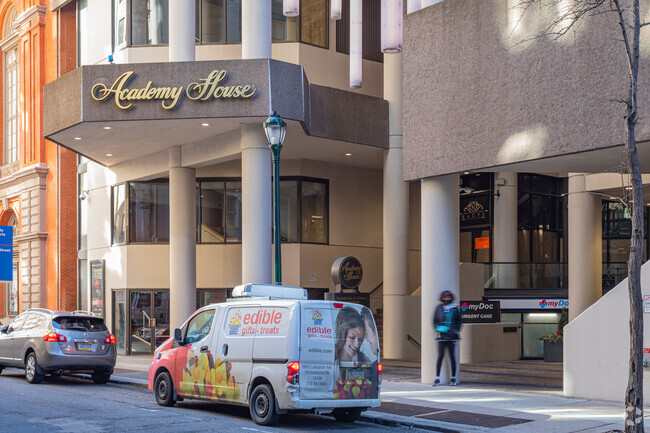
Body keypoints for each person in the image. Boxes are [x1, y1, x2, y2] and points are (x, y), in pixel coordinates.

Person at [433, 290, 462, 386]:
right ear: (442, 298)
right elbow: (435, 320)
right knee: (440, 356)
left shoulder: (454, 308)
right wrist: (439, 328)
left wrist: (455, 329)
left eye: (448, 297)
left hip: (452, 337)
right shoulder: (438, 308)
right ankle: (437, 378)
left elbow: (459, 320)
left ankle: (453, 377)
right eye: (445, 298)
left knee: (452, 357)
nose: (447, 299)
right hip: (442, 336)